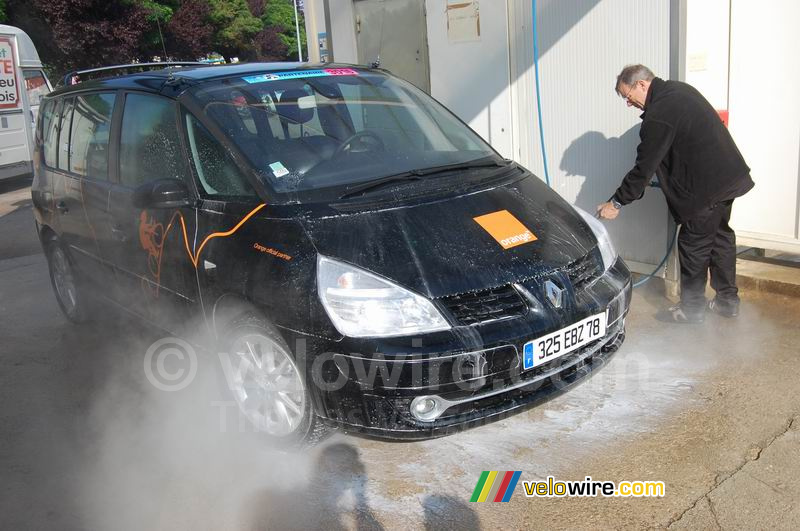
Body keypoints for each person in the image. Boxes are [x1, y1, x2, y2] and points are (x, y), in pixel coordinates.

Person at [597, 65, 754, 324]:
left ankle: (692, 310)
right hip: (728, 179)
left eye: (628, 96)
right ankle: (727, 301)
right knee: (720, 239)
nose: (629, 104)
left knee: (694, 247)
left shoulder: (659, 113)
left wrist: (617, 202)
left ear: (642, 85)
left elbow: (644, 168)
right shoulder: (679, 90)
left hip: (706, 189)